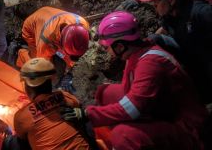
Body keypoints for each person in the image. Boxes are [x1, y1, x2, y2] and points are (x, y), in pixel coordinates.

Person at [61, 11, 207, 149]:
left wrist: (88, 114)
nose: (107, 51)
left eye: (107, 48)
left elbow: (132, 109)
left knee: (123, 135)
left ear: (119, 46)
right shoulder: (138, 52)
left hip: (187, 128)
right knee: (104, 93)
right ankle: (108, 138)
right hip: (164, 107)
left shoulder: (150, 64)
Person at [139, 0, 212, 103]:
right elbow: (161, 32)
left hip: (207, 59)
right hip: (190, 57)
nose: (154, 7)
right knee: (154, 39)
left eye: (156, 3)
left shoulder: (201, 13)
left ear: (171, 0)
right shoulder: (169, 16)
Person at [8, 57, 95, 150]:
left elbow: (22, 139)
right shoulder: (66, 97)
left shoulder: (21, 118)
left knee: (11, 143)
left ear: (27, 87)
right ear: (50, 81)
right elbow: (77, 105)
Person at [16, 6, 90, 70]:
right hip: (31, 28)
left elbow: (74, 47)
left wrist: (71, 65)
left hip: (48, 13)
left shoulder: (83, 23)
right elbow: (41, 63)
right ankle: (21, 54)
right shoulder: (45, 41)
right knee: (37, 65)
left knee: (71, 62)